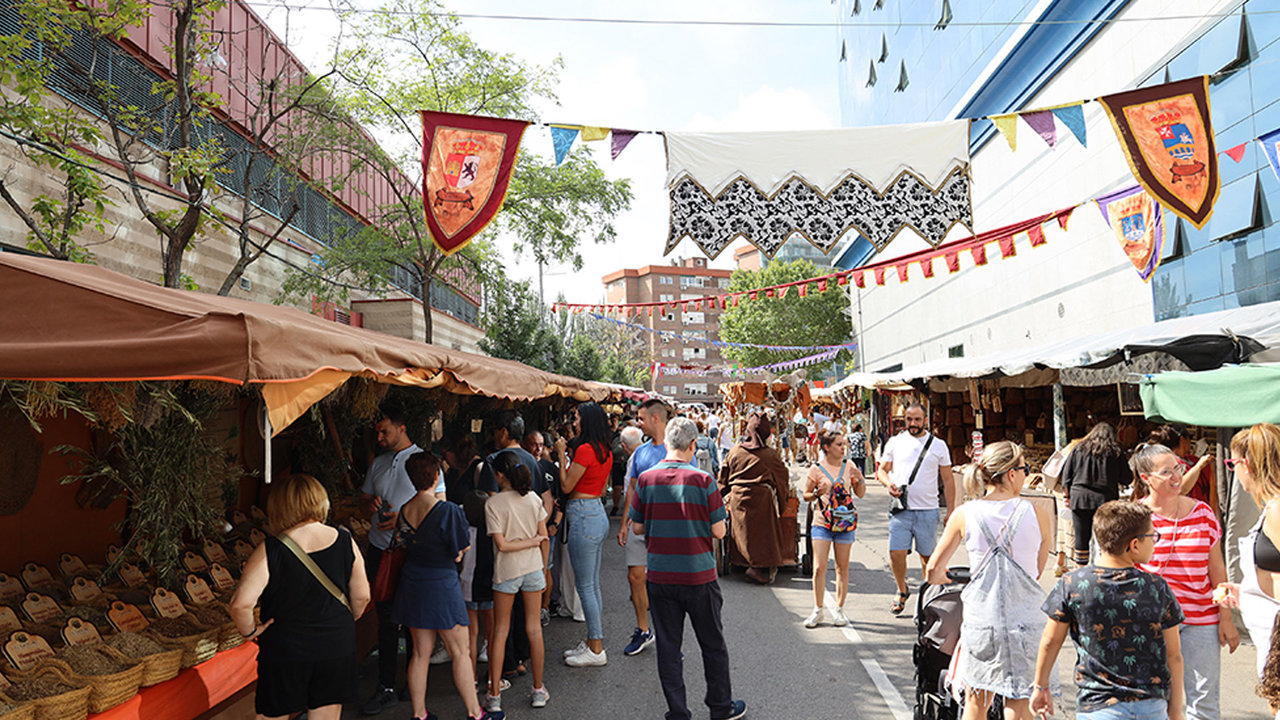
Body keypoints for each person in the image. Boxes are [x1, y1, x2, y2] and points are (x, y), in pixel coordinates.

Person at [630, 417, 747, 720]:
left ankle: (678, 712)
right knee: (713, 645)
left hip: (660, 575)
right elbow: (720, 532)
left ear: (667, 443)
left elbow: (639, 526)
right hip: (698, 576)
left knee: (669, 648)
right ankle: (720, 707)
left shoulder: (646, 479)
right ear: (693, 445)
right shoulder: (703, 480)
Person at [925, 442, 1050, 720]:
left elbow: (932, 570)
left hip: (983, 619)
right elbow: (1037, 571)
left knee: (976, 700)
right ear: (1012, 474)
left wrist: (951, 577)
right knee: (1019, 701)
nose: (1026, 475)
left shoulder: (964, 514)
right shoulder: (1038, 513)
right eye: (1024, 469)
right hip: (1027, 622)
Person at [230, 474, 370, 720]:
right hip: (335, 642)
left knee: (275, 714)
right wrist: (346, 620)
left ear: (279, 508)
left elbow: (241, 604)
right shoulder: (345, 541)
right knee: (326, 714)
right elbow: (362, 597)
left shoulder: (271, 549)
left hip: (285, 648)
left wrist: (250, 631)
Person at [1031, 501, 1185, 720]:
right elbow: (1174, 655)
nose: (1155, 542)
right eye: (1152, 537)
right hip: (1150, 706)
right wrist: (1176, 711)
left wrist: (1040, 686)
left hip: (1097, 705)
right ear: (1134, 545)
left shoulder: (1072, 584)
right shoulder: (1157, 587)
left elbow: (1050, 641)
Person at [1131, 443, 1239, 720]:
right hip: (1152, 623)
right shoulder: (1136, 518)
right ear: (1146, 479)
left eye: (1178, 468)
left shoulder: (1203, 513)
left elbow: (1217, 569)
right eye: (1166, 471)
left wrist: (1225, 617)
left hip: (1201, 620)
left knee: (1203, 703)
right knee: (1155, 700)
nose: (1177, 475)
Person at [359, 409, 445, 715]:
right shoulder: (379, 463)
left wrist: (404, 518)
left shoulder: (425, 461)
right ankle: (385, 687)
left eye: (385, 432)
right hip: (379, 550)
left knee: (412, 621)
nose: (380, 438)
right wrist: (370, 503)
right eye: (378, 433)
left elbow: (440, 507)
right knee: (385, 622)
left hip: (411, 553)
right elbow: (364, 497)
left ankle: (413, 682)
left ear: (402, 427)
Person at [874, 402, 955, 615]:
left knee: (928, 557)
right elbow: (881, 470)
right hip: (901, 508)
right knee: (896, 553)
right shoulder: (895, 442)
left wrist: (952, 510)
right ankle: (902, 590)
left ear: (925, 420)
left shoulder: (938, 445)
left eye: (917, 419)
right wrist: (887, 483)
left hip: (928, 509)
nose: (913, 424)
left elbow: (948, 480)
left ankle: (927, 597)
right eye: (909, 419)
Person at [484, 452, 550, 712]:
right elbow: (543, 537)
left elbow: (501, 545)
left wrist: (528, 543)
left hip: (506, 571)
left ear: (500, 475)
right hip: (533, 567)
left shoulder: (494, 504)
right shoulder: (533, 498)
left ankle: (495, 695)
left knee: (500, 630)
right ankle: (538, 689)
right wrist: (543, 568)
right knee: (534, 628)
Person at [1215, 423, 1280, 678]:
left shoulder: (1276, 511)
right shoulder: (1271, 508)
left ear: (1247, 464)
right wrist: (1249, 592)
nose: (1234, 474)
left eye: (1232, 465)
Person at [554, 401, 613, 667]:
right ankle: (592, 641)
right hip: (596, 512)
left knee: (586, 586)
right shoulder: (604, 450)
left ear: (586, 421)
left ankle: (596, 647)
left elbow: (566, 485)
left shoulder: (586, 450)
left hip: (582, 513)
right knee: (592, 585)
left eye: (576, 418)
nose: (573, 422)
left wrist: (561, 454)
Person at [618, 399, 670, 656]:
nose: (638, 423)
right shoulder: (640, 452)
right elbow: (631, 487)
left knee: (665, 583)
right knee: (635, 577)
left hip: (667, 528)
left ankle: (669, 637)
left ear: (655, 419)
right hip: (639, 524)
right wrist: (625, 521)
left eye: (641, 419)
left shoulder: (677, 449)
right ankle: (643, 629)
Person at [801, 430, 865, 628]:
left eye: (843, 444)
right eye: (839, 444)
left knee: (841, 567)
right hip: (822, 522)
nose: (843, 448)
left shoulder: (850, 466)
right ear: (827, 447)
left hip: (844, 523)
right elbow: (805, 495)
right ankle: (818, 610)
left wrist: (860, 478)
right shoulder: (817, 469)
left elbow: (860, 494)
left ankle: (839, 609)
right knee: (819, 567)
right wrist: (816, 494)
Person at [720, 412, 791, 585]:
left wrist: (717, 499)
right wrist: (783, 501)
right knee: (762, 533)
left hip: (738, 499)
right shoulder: (770, 454)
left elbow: (723, 479)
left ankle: (742, 561)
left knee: (742, 530)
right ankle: (757, 567)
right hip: (762, 501)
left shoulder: (735, 451)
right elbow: (783, 478)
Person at [1060, 421, 1128, 568]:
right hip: (1105, 502)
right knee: (1105, 539)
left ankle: (1081, 571)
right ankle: (1104, 569)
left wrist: (1067, 497)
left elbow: (1066, 476)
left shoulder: (1078, 449)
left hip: (1080, 499)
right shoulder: (1115, 452)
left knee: (1081, 538)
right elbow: (1127, 478)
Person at [1148, 425, 1218, 517]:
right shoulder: (1169, 464)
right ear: (1182, 439)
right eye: (1190, 438)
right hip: (1186, 515)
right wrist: (1199, 466)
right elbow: (1181, 489)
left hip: (1203, 512)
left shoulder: (1193, 459)